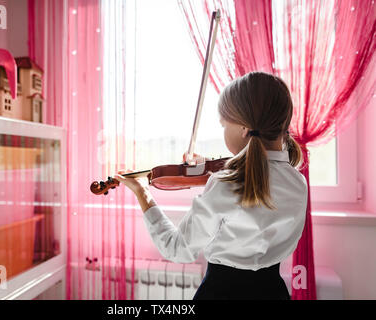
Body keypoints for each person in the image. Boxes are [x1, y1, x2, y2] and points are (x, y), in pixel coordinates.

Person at [114, 71, 308, 300]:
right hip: (273, 293)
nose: (223, 130)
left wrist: (142, 193)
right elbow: (259, 170)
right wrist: (213, 166)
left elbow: (178, 248)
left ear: (244, 128)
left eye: (224, 125)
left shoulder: (225, 185)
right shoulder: (298, 183)